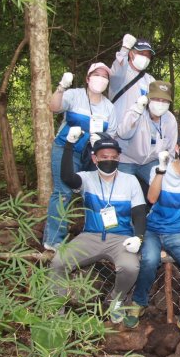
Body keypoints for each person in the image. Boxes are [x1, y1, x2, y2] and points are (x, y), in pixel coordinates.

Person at [125, 129, 180, 338]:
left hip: (177, 233)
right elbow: (151, 199)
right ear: (177, 148)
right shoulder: (160, 168)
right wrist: (161, 172)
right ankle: (139, 302)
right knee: (150, 259)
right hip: (153, 229)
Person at [50, 131, 145, 324]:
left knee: (130, 267)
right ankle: (56, 309)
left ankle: (116, 300)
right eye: (104, 157)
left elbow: (140, 213)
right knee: (58, 262)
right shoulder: (86, 178)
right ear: (94, 158)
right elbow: (67, 177)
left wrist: (139, 238)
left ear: (119, 158)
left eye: (113, 157)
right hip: (90, 236)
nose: (109, 160)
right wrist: (69, 145)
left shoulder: (130, 181)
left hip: (120, 238)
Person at [43, 63, 117, 250]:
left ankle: (97, 236)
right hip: (67, 149)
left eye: (104, 77)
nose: (100, 79)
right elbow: (54, 107)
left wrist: (101, 138)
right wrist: (61, 87)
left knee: (96, 193)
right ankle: (53, 240)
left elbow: (113, 135)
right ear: (87, 78)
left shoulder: (109, 107)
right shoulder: (74, 95)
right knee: (64, 192)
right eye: (97, 74)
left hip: (93, 155)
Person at [115, 80, 178, 186]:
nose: (161, 103)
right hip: (127, 160)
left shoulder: (170, 119)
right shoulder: (137, 111)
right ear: (149, 99)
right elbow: (123, 134)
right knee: (121, 188)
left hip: (151, 162)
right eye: (157, 99)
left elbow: (171, 150)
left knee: (163, 185)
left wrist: (166, 168)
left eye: (164, 100)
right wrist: (136, 111)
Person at [109, 34, 156, 122]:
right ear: (131, 54)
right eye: (141, 53)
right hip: (117, 129)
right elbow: (116, 74)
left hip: (141, 131)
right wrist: (124, 50)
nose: (145, 57)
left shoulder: (150, 80)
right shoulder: (122, 72)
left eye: (148, 55)